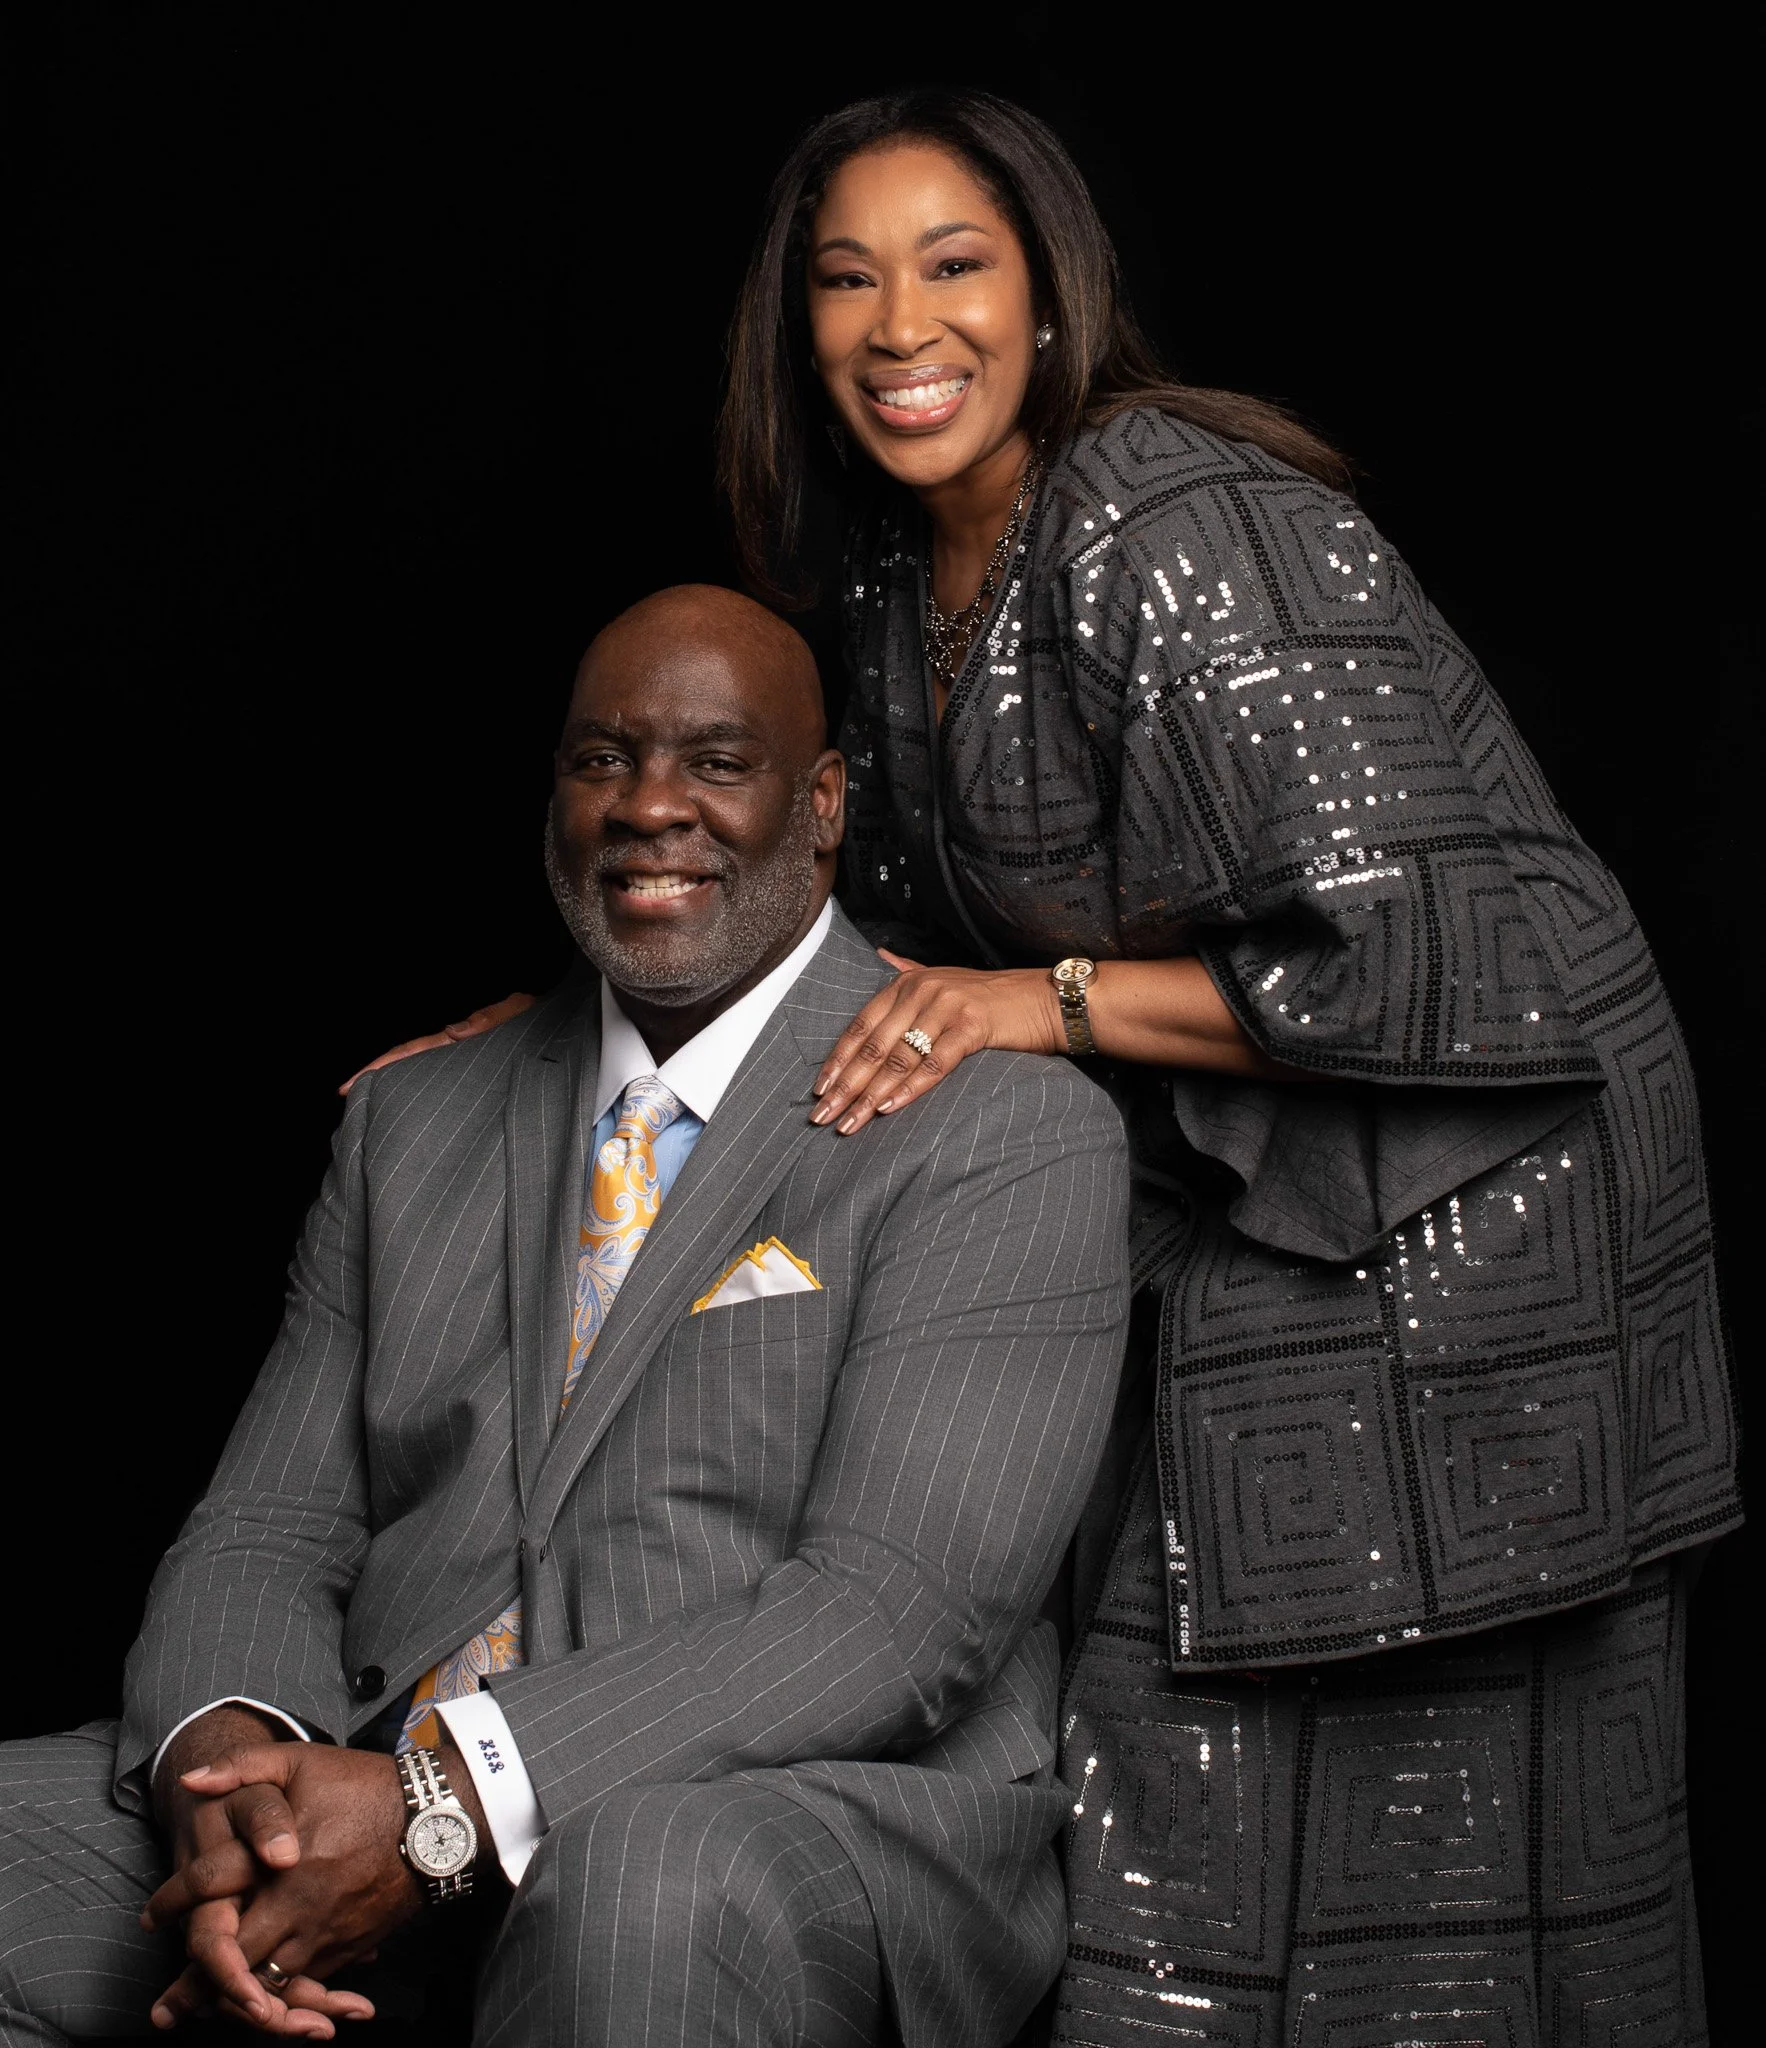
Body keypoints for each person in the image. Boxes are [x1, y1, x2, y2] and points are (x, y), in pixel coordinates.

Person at [709, 91, 1736, 2045]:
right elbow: (877, 950)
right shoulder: (882, 580)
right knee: (1172, 1785)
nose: (897, 326)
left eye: (954, 265)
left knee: (1444, 1851)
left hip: (1479, 1200)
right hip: (1241, 1185)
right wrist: (577, 1024)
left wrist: (1053, 1003)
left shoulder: (1169, 517)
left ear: (1044, 295)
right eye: (846, 279)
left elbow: (1428, 946)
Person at [0, 584, 1132, 2047]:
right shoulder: (413, 1118)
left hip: (779, 1811)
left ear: (826, 800)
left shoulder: (1001, 1130)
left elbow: (890, 1618)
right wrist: (234, 1778)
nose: (651, 805)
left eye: (718, 763)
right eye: (603, 759)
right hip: (353, 1774)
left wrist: (441, 1806)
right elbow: (267, 1530)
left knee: (635, 1888)